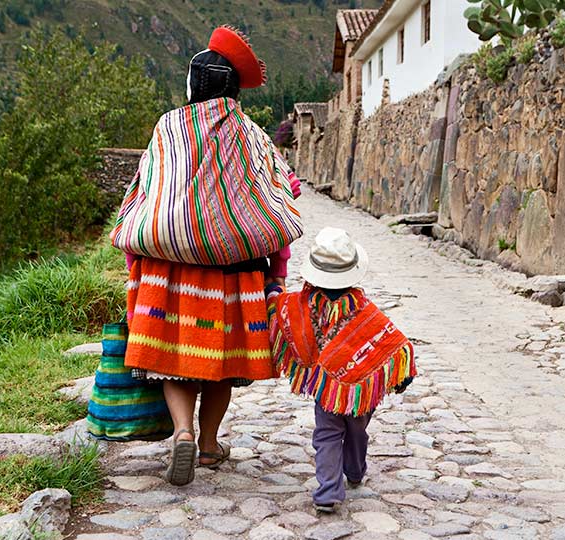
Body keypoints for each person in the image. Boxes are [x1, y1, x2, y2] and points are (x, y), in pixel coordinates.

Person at [120, 26, 300, 486]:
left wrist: (136, 255)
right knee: (219, 360)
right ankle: (207, 444)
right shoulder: (252, 135)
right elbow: (274, 192)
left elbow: (145, 189)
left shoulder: (167, 128)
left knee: (172, 356)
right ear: (233, 89)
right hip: (233, 271)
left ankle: (180, 431)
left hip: (168, 267)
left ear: (192, 86)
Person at [266, 227, 417, 512]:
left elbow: (280, 307)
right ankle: (355, 471)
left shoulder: (304, 304)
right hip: (360, 391)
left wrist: (272, 290)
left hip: (326, 392)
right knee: (357, 432)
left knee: (327, 435)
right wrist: (401, 375)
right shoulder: (362, 308)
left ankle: (328, 492)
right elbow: (389, 340)